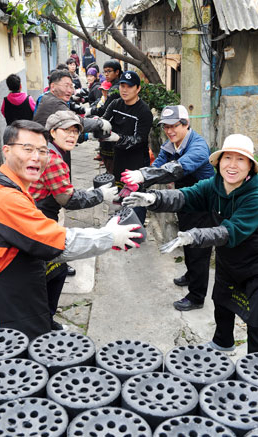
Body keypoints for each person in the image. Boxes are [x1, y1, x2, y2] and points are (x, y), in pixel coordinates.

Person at [0, 120, 142, 340]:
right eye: (27, 149)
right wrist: (110, 236)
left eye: (41, 151)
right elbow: (59, 243)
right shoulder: (5, 200)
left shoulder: (8, 187)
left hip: (13, 294)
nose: (36, 157)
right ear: (7, 151)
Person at [123, 134, 258, 354]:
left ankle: (252, 370)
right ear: (219, 161)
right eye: (228, 158)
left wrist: (194, 236)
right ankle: (222, 344)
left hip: (254, 266)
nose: (232, 165)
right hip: (228, 260)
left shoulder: (254, 195)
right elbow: (185, 196)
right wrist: (153, 199)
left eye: (240, 160)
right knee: (222, 303)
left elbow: (232, 230)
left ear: (250, 166)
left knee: (255, 320)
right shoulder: (213, 185)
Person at [29, 111, 118, 329]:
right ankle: (44, 324)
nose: (72, 135)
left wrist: (83, 192)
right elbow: (67, 200)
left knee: (52, 271)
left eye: (75, 131)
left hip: (36, 215)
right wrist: (99, 196)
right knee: (51, 272)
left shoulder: (48, 151)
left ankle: (44, 321)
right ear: (52, 132)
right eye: (66, 131)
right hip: (39, 219)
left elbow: (61, 189)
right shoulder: (53, 159)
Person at [121, 105, 214, 311]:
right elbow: (158, 166)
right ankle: (191, 275)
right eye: (166, 127)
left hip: (205, 205)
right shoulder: (170, 145)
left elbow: (177, 168)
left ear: (186, 124)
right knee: (186, 240)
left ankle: (197, 297)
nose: (170, 131)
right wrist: (134, 184)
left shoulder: (198, 147)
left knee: (199, 249)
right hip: (185, 200)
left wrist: (144, 176)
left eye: (175, 126)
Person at [102, 71, 153, 224]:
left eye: (129, 87)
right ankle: (121, 222)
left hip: (137, 160)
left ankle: (137, 227)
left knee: (136, 195)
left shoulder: (144, 112)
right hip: (119, 156)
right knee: (119, 191)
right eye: (122, 86)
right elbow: (105, 121)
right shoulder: (116, 104)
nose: (124, 90)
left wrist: (118, 138)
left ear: (138, 89)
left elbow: (139, 139)